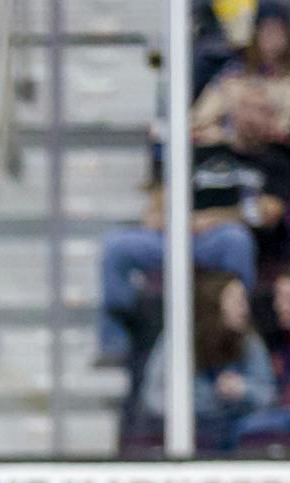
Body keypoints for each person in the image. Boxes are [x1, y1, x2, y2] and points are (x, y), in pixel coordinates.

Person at [99, 85, 290, 366]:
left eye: (263, 110)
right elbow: (155, 208)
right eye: (249, 108)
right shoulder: (200, 151)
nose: (256, 117)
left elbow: (268, 212)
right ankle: (116, 341)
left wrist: (213, 219)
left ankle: (238, 327)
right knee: (117, 246)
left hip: (222, 240)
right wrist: (173, 218)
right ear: (233, 112)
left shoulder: (277, 159)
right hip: (177, 235)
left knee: (235, 239)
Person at [141, 270, 276, 450]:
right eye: (237, 302)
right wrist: (197, 403)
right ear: (214, 305)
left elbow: (268, 394)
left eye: (245, 301)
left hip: (235, 430)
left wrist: (243, 389)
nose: (245, 308)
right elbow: (153, 397)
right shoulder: (178, 340)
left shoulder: (249, 340)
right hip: (193, 432)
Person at [192, 2, 290, 145]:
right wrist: (226, 134)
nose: (272, 40)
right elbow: (198, 121)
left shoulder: (286, 84)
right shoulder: (233, 80)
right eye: (266, 32)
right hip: (238, 156)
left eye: (277, 32)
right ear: (255, 35)